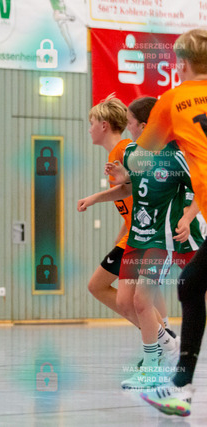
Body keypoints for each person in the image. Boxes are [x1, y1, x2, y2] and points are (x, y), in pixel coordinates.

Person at [119, 28, 207, 417]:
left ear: (182, 64)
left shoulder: (173, 100)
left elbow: (142, 155)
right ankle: (180, 387)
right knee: (190, 283)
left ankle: (179, 386)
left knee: (189, 285)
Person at [78, 97, 179, 370]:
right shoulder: (118, 152)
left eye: (91, 123)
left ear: (104, 125)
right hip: (135, 234)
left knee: (108, 290)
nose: (88, 129)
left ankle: (164, 342)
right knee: (137, 296)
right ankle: (164, 340)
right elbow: (134, 199)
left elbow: (143, 187)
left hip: (145, 236)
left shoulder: (124, 149)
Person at [103, 140, 200, 390]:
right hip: (141, 239)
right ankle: (167, 346)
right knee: (129, 301)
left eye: (133, 124)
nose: (131, 129)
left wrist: (187, 218)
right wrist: (111, 186)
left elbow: (201, 188)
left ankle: (154, 364)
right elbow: (132, 188)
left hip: (168, 238)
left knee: (146, 298)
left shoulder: (176, 157)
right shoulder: (134, 153)